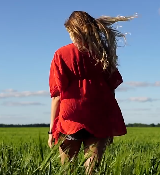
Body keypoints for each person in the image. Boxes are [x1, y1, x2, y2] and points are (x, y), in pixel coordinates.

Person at [47, 11, 137, 174]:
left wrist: (52, 129)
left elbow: (56, 95)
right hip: (99, 114)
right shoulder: (103, 53)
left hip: (71, 117)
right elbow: (111, 89)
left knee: (68, 170)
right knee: (92, 169)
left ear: (73, 31)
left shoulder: (61, 54)